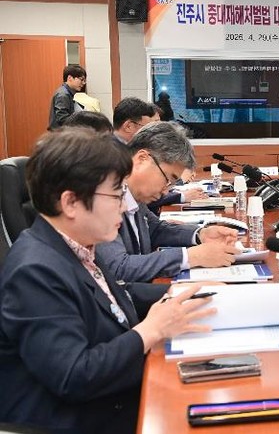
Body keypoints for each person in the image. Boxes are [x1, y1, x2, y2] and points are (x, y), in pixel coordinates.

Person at [0, 127, 215, 433]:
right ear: (71, 202)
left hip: (117, 397)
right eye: (116, 196)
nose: (124, 206)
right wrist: (151, 330)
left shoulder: (76, 245)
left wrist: (184, 292)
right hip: (82, 420)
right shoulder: (34, 271)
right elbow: (74, 376)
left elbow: (117, 295)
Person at [95, 121, 239, 283]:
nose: (166, 191)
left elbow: (155, 229)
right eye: (168, 179)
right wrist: (190, 257)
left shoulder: (135, 194)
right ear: (142, 159)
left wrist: (200, 235)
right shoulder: (101, 196)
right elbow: (118, 268)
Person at [48, 64, 86, 130]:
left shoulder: (67, 93)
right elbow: (62, 118)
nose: (83, 83)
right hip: (61, 133)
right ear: (69, 78)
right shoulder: (63, 94)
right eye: (81, 79)